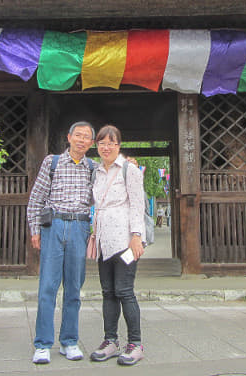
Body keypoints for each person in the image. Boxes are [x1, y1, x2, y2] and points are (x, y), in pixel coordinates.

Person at [27, 121, 95, 365]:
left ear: (91, 143)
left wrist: (130, 166)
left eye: (86, 137)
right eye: (78, 135)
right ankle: (43, 344)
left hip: (79, 227)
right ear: (69, 137)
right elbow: (36, 197)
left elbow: (110, 186)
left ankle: (69, 341)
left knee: (74, 288)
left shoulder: (93, 167)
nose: (81, 140)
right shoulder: (52, 162)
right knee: (48, 286)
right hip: (53, 226)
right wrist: (35, 231)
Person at [89, 125, 146, 366]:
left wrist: (136, 236)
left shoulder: (128, 169)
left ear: (119, 146)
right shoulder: (96, 171)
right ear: (97, 146)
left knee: (124, 291)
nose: (106, 147)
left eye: (111, 142)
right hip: (104, 240)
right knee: (107, 292)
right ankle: (110, 341)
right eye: (102, 143)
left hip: (125, 242)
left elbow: (137, 204)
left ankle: (135, 344)